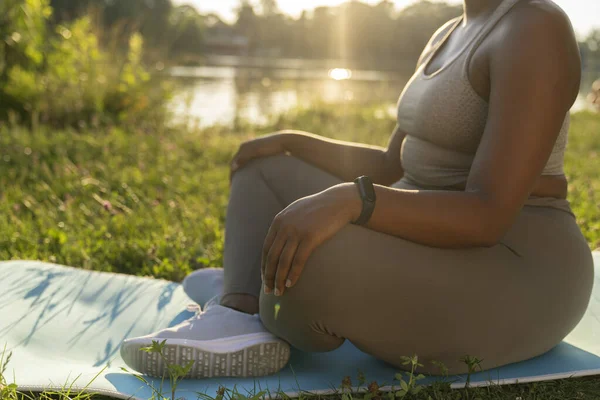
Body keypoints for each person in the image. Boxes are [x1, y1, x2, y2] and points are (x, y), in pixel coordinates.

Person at [120, 0, 595, 379]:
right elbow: (392, 166)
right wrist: (292, 141)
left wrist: (353, 199)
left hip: (516, 266)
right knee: (265, 170)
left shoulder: (534, 26)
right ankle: (240, 309)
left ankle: (252, 282)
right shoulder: (448, 31)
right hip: (425, 232)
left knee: (313, 259)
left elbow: (488, 215)